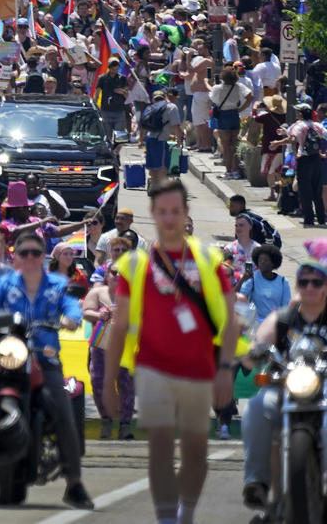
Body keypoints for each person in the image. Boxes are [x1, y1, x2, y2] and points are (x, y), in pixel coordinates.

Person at [104, 179, 237, 524]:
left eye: (175, 211)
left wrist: (225, 370)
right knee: (160, 449)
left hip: (198, 370)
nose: (169, 218)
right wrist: (108, 383)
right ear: (152, 214)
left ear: (186, 213)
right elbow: (118, 325)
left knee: (196, 454)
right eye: (162, 211)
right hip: (153, 368)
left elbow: (231, 320)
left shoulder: (208, 259)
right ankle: (166, 519)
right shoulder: (135, 265)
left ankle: (185, 515)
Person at [0, 232, 95, 509]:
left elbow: (72, 307)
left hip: (44, 359)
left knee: (63, 412)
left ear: (43, 256)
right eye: (24, 253)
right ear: (16, 257)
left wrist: (71, 318)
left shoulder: (57, 284)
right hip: (8, 358)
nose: (31, 258)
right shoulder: (4, 285)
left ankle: (74, 483)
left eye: (36, 253)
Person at [242, 254, 327, 510]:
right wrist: (254, 351)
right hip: (287, 386)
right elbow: (258, 344)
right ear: (297, 286)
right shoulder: (283, 318)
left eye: (317, 282)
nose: (310, 287)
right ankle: (257, 482)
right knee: (257, 406)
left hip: (325, 388)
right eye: (304, 282)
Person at [83, 264, 135, 440]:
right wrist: (100, 315)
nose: (118, 276)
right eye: (114, 273)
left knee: (126, 384)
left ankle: (125, 425)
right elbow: (86, 312)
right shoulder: (97, 293)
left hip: (125, 346)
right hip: (101, 346)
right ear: (107, 275)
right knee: (98, 381)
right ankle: (106, 420)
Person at [270, 102, 327, 227]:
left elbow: (291, 139)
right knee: (317, 190)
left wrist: (277, 143)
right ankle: (322, 218)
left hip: (303, 160)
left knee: (305, 191)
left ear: (300, 114)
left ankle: (309, 219)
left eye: (297, 112)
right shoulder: (317, 125)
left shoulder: (299, 126)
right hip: (317, 160)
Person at [208, 67, 252, 180]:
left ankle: (228, 171)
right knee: (235, 145)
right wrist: (241, 109)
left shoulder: (218, 88)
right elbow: (250, 97)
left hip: (223, 116)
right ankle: (235, 171)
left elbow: (212, 100)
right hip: (234, 114)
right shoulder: (239, 87)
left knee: (226, 146)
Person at [237, 244, 290, 321]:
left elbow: (286, 308)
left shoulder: (283, 282)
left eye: (265, 260)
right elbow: (238, 297)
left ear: (273, 263)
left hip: (275, 324)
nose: (262, 262)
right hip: (255, 325)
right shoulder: (253, 279)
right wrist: (243, 279)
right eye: (260, 260)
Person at [141, 90, 183, 187]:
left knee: (153, 166)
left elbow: (143, 125)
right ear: (165, 97)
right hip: (161, 140)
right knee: (163, 167)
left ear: (153, 99)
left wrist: (140, 140)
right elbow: (176, 126)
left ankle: (154, 186)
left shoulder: (150, 107)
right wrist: (179, 141)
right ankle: (162, 189)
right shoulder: (171, 107)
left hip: (149, 139)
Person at [254, 94, 287, 201]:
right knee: (277, 170)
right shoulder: (286, 116)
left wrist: (255, 108)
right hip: (281, 146)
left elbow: (255, 118)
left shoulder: (266, 116)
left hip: (268, 146)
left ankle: (272, 193)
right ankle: (280, 193)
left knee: (270, 172)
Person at [94, 58, 128, 144]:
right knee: (107, 136)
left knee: (120, 137)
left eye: (116, 69)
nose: (115, 71)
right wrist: (94, 105)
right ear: (109, 67)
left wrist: (121, 91)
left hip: (119, 110)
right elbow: (97, 93)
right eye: (113, 68)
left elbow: (127, 94)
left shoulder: (122, 78)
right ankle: (109, 153)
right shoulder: (102, 78)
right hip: (106, 110)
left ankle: (116, 153)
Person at [223, 214, 258, 283]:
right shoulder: (229, 248)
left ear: (250, 227)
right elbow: (225, 272)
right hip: (234, 287)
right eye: (236, 226)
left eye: (241, 225)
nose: (238, 228)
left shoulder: (258, 249)